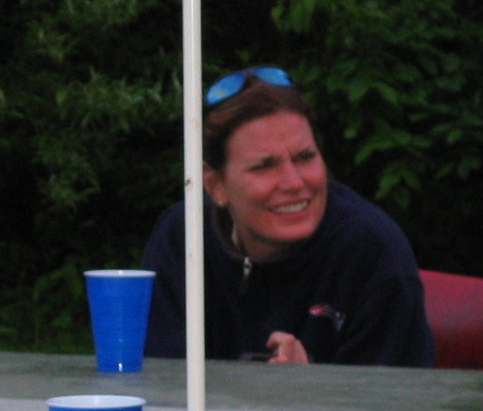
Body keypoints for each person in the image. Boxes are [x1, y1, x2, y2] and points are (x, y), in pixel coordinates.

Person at [142, 66, 436, 367]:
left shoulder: (372, 253)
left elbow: (399, 394)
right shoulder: (183, 237)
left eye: (304, 157)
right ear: (216, 186)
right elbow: (159, 379)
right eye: (263, 166)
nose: (294, 183)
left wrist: (310, 386)